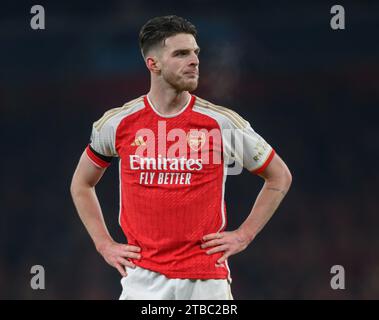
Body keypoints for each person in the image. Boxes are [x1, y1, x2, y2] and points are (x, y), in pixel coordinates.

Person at [70, 15, 292, 300]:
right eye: (181, 53)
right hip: (141, 281)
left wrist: (244, 234)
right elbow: (81, 184)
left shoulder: (221, 123)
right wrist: (103, 244)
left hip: (205, 282)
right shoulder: (117, 123)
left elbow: (279, 176)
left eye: (196, 53)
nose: (195, 60)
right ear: (154, 64)